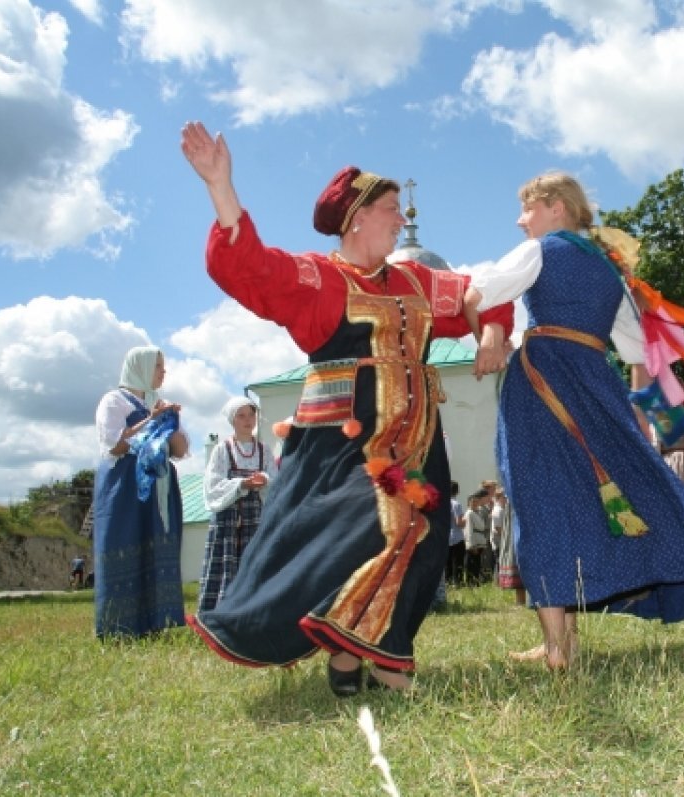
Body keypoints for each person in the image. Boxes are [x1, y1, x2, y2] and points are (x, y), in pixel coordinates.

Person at [180, 122, 514, 695]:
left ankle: (363, 658)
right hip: (343, 439)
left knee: (426, 536)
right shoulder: (321, 278)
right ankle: (363, 654)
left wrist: (489, 334)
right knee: (374, 524)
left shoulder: (415, 278)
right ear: (358, 216)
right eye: (389, 208)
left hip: (417, 433)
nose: (400, 217)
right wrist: (220, 187)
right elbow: (251, 269)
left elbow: (480, 292)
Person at [464, 171, 684, 671]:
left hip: (541, 382)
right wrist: (640, 415)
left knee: (541, 499)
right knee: (580, 497)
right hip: (596, 386)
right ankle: (563, 636)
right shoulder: (607, 268)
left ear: (555, 207)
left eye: (526, 209)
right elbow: (637, 351)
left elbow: (476, 294)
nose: (519, 220)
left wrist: (490, 341)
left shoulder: (541, 250)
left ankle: (558, 646)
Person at [92, 346, 188, 637]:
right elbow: (115, 445)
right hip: (125, 483)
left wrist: (169, 424)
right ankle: (118, 626)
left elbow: (180, 450)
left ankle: (157, 623)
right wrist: (152, 420)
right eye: (158, 366)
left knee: (157, 543)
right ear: (141, 367)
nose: (163, 372)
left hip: (159, 482)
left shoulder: (158, 402)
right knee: (124, 541)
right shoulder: (114, 401)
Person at [198, 396, 278, 612]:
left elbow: (275, 479)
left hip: (256, 517)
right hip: (228, 518)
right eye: (242, 416)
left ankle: (252, 611)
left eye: (251, 415)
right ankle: (218, 613)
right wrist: (242, 483)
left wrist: (264, 481)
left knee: (254, 563)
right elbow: (213, 485)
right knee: (227, 565)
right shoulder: (222, 450)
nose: (248, 420)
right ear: (233, 420)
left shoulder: (264, 450)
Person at [446, 481, 467, 586]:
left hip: (446, 536)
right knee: (457, 561)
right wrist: (465, 521)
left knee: (447, 562)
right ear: (457, 491)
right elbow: (459, 522)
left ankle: (448, 581)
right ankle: (457, 582)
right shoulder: (456, 504)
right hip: (457, 536)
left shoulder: (444, 503)